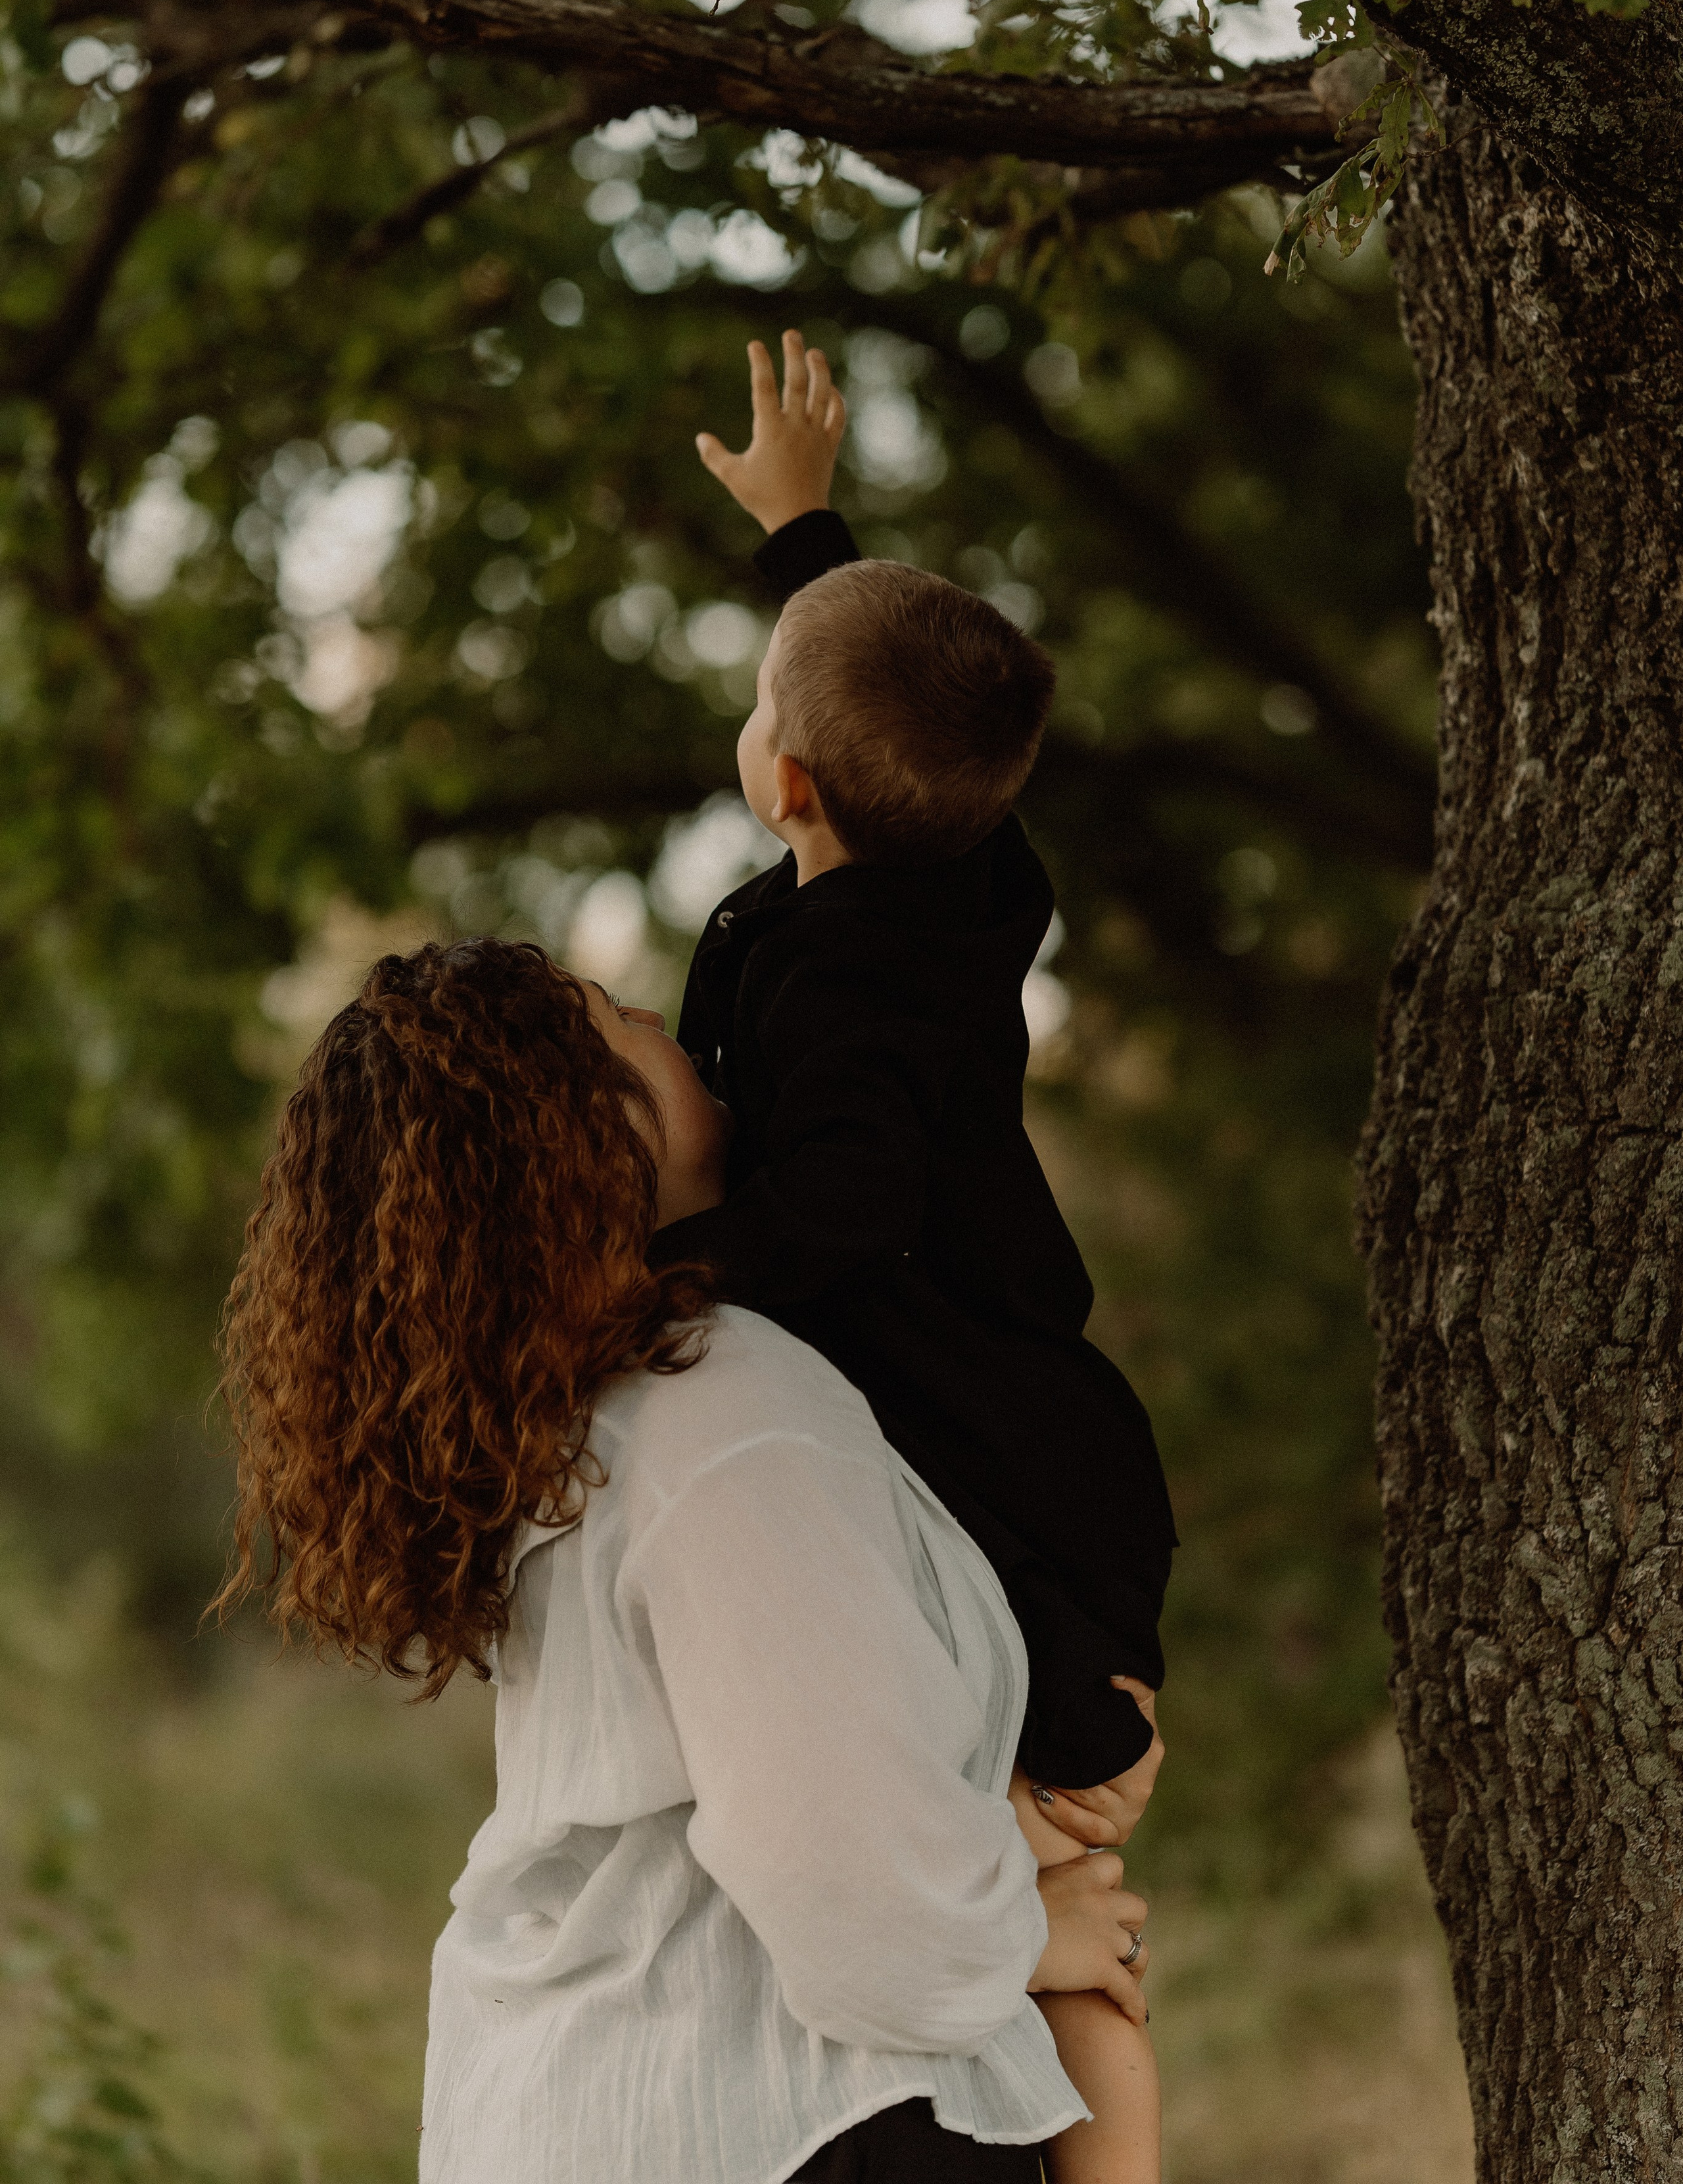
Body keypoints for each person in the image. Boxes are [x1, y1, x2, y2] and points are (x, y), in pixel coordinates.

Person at [212, 936, 1154, 2184]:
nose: (657, 1009)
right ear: (568, 1138)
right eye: (612, 1018)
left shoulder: (589, 1435)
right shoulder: (720, 1408)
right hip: (788, 2126)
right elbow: (856, 1900)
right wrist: (1023, 1928)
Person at [659, 333, 1177, 2183]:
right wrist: (805, 533)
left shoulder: (850, 996)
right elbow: (906, 707)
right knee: (1054, 1891)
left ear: (786, 781)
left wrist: (684, 1269)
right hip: (1033, 1444)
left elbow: (852, 1213)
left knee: (1062, 1890)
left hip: (1011, 1504)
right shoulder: (974, 874)